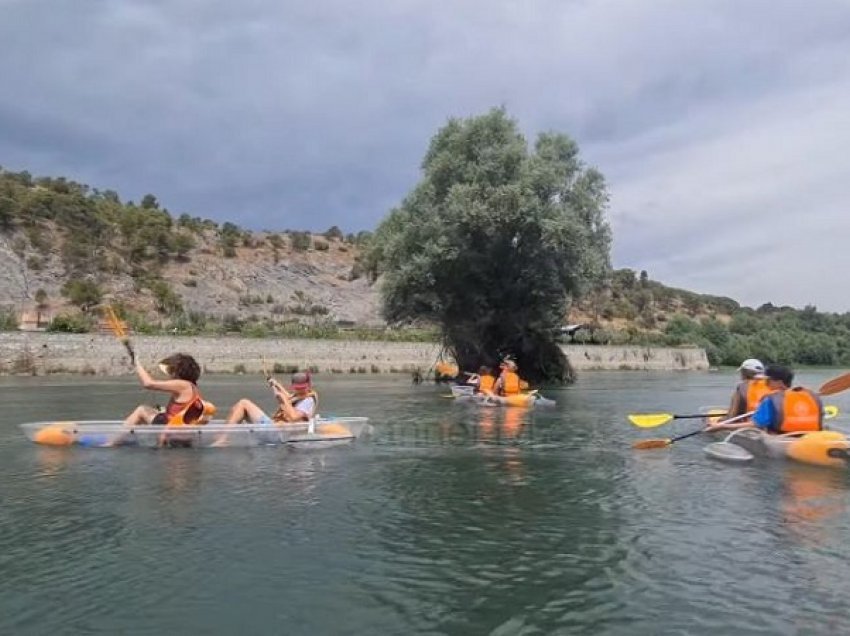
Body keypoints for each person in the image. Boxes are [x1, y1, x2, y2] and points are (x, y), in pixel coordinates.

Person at [706, 364, 823, 435]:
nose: (765, 383)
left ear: (779, 382)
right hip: (809, 435)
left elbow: (755, 425)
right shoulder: (809, 395)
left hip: (781, 438)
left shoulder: (770, 399)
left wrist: (721, 426)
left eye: (768, 380)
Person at [124, 353, 212, 426]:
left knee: (141, 410)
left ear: (178, 372)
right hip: (180, 426)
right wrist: (166, 411)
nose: (169, 375)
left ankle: (114, 441)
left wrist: (137, 365)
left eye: (172, 371)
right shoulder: (192, 386)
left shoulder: (182, 385)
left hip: (172, 427)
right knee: (155, 412)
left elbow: (148, 384)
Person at [226, 371, 318, 425]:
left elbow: (293, 417)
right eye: (298, 388)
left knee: (244, 403)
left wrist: (283, 399)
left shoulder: (308, 400)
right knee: (238, 408)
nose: (300, 390)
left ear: (308, 386)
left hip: (277, 433)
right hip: (276, 427)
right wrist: (276, 385)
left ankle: (224, 440)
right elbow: (289, 397)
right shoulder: (299, 396)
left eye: (302, 388)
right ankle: (225, 434)